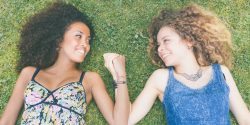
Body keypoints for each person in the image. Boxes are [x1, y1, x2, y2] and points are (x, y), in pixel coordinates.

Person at [105, 4, 250, 125]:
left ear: (189, 40)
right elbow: (123, 122)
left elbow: (244, 119)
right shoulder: (161, 79)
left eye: (166, 40)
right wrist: (119, 75)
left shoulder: (221, 73)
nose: (160, 49)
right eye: (158, 45)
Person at [0, 2, 129, 125]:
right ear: (59, 39)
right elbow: (6, 121)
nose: (85, 44)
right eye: (78, 36)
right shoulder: (29, 73)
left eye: (88, 40)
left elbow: (119, 122)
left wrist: (121, 74)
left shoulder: (90, 79)